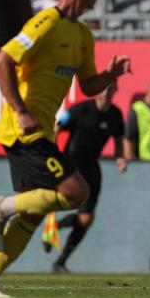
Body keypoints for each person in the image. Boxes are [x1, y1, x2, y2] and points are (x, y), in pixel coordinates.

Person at [0, 0, 132, 298]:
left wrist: (110, 75)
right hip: (23, 130)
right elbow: (2, 62)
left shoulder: (82, 35)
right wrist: (21, 112)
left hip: (43, 130)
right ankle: (1, 205)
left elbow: (87, 86)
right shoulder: (44, 23)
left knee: (33, 215)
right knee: (77, 192)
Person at [43, 80, 126, 272]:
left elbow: (119, 140)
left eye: (110, 89)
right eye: (103, 88)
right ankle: (49, 230)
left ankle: (59, 257)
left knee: (86, 218)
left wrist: (120, 157)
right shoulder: (81, 109)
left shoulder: (115, 115)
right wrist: (52, 151)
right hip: (71, 164)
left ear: (115, 89)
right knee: (58, 201)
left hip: (91, 166)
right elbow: (58, 126)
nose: (105, 93)